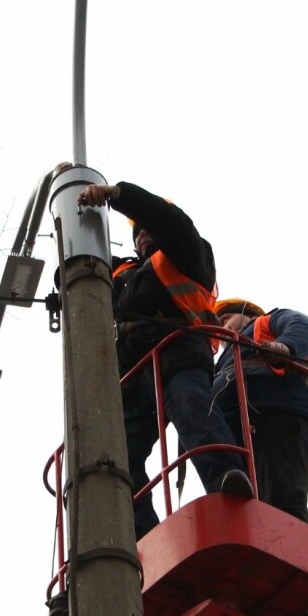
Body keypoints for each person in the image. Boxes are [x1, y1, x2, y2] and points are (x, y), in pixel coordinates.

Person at [75, 179, 251, 538]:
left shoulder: (187, 254)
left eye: (146, 229)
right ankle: (140, 529)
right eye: (137, 233)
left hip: (179, 353)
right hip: (134, 375)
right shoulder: (122, 275)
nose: (142, 237)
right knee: (118, 451)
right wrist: (69, 199)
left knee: (193, 411)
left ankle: (226, 480)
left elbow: (172, 222)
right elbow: (79, 268)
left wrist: (117, 194)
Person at [211, 298, 308, 523]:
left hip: (279, 414)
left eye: (226, 320)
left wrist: (285, 347)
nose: (223, 330)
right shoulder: (224, 359)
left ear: (246, 313)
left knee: (283, 499)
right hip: (235, 428)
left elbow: (306, 327)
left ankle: (291, 553)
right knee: (244, 510)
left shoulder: (266, 323)